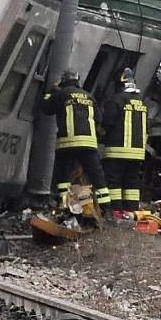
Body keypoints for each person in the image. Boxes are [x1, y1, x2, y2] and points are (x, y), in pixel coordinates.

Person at [39, 72, 111, 215]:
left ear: (63, 82)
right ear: (78, 81)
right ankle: (107, 210)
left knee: (63, 177)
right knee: (97, 177)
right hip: (88, 145)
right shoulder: (89, 96)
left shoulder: (61, 94)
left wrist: (50, 91)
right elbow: (99, 118)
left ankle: (65, 205)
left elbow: (46, 109)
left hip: (67, 143)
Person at [98, 68, 148, 220]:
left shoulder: (116, 100)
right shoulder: (141, 101)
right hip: (137, 152)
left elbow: (107, 123)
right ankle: (131, 211)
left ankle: (115, 210)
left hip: (117, 150)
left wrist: (98, 133)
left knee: (114, 181)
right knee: (131, 181)